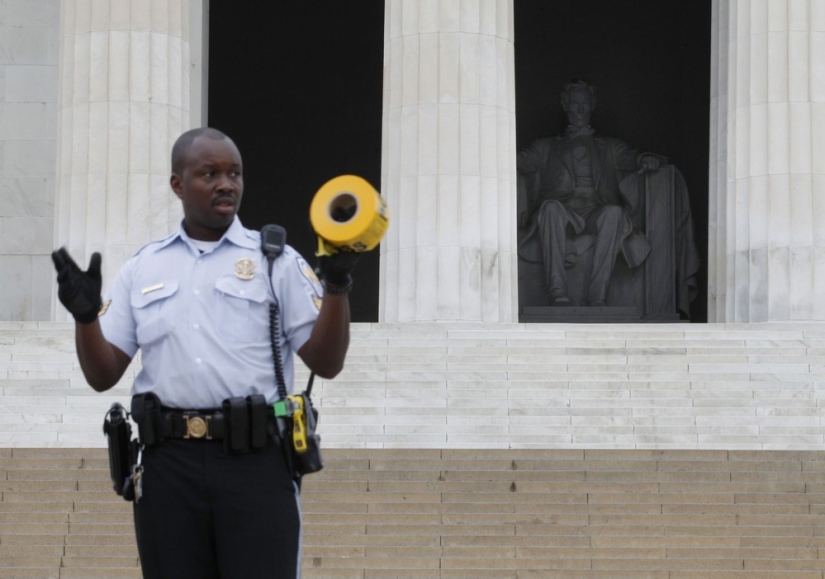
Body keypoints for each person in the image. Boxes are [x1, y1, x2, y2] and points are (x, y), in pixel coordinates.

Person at [51, 127, 357, 579]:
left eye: (235, 173)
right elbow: (103, 374)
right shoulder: (144, 267)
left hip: (256, 464)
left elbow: (327, 363)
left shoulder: (277, 260)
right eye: (210, 174)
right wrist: (85, 318)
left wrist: (336, 284)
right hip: (167, 467)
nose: (226, 184)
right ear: (178, 184)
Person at [517, 80, 663, 307]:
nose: (580, 109)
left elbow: (632, 158)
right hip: (562, 211)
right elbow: (521, 161)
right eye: (575, 103)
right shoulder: (545, 147)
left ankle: (598, 294)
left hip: (596, 211)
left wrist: (646, 159)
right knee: (550, 208)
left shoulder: (610, 147)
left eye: (585, 103)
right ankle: (557, 290)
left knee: (614, 213)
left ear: (592, 104)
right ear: (565, 104)